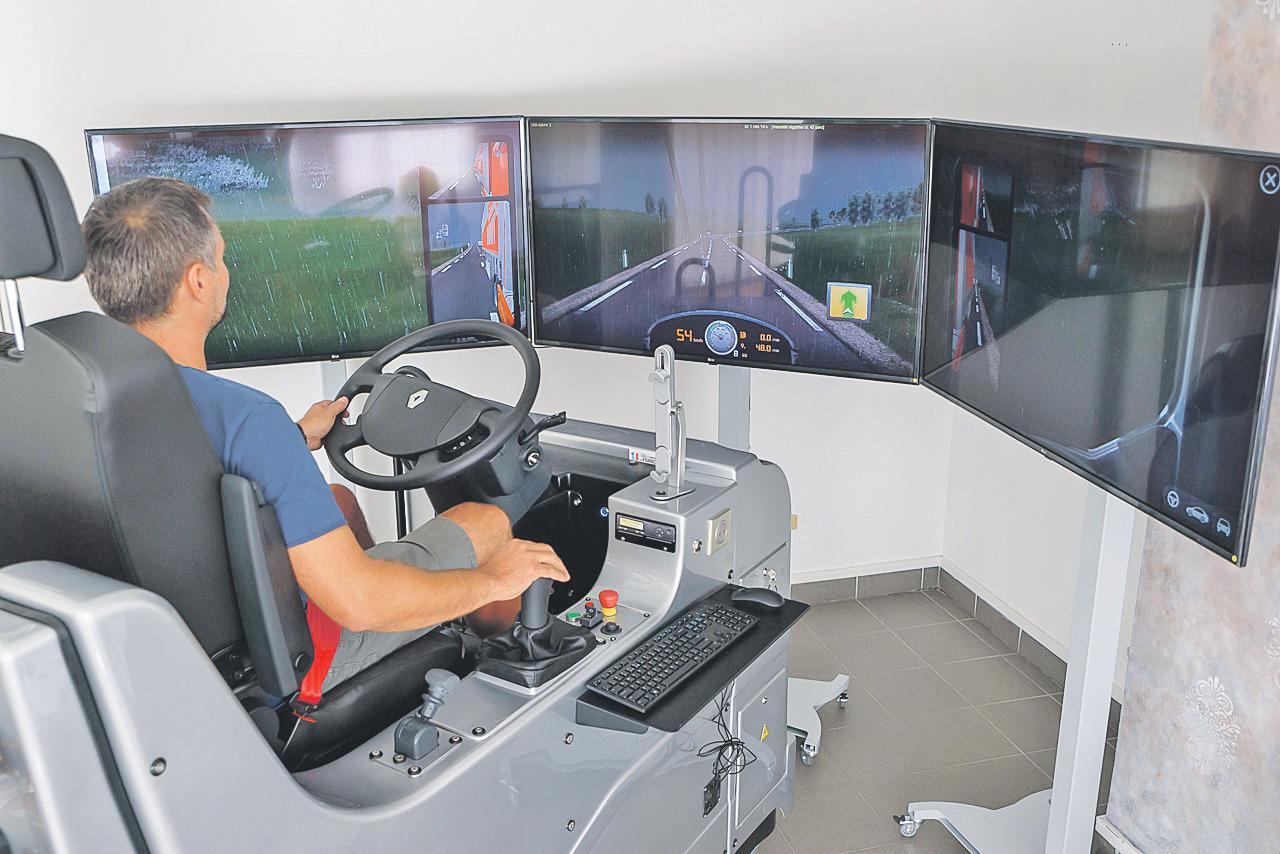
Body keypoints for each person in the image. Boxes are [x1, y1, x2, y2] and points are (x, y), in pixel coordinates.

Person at [80, 176, 567, 693]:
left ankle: (421, 614)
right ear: (198, 281)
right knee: (487, 521)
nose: (227, 271)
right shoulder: (248, 419)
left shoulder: (92, 394)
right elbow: (359, 603)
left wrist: (292, 438)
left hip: (183, 641)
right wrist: (493, 580)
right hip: (295, 658)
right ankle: (498, 654)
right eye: (221, 259)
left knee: (339, 501)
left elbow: (182, 478)